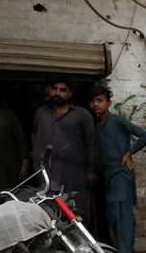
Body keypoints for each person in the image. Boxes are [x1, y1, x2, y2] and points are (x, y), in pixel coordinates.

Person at [88, 86, 146, 253]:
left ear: (108, 103)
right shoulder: (97, 125)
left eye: (100, 100)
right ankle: (122, 250)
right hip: (108, 175)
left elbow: (145, 135)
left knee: (122, 213)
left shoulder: (117, 121)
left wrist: (129, 153)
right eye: (93, 101)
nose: (96, 104)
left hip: (120, 173)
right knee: (113, 214)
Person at [31, 74, 97, 218]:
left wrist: (91, 170)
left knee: (77, 208)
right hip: (47, 173)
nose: (58, 93)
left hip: (75, 172)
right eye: (54, 89)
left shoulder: (82, 114)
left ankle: (82, 240)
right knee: (50, 209)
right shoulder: (41, 113)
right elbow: (35, 138)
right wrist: (36, 161)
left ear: (70, 93)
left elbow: (91, 142)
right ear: (48, 90)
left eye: (63, 90)